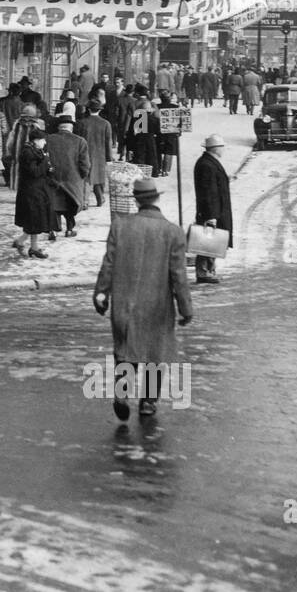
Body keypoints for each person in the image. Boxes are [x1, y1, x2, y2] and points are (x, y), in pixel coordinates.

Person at [93, 177, 193, 420]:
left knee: (126, 350)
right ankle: (148, 402)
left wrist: (101, 293)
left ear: (136, 201)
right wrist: (186, 309)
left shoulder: (120, 226)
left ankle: (122, 392)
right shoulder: (173, 232)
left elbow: (109, 262)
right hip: (157, 305)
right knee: (153, 353)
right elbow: (178, 276)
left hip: (125, 304)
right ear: (157, 198)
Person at [193, 134, 233, 285]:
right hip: (211, 212)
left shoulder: (209, 162)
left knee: (212, 242)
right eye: (223, 147)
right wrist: (211, 215)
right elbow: (208, 192)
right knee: (206, 243)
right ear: (216, 149)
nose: (224, 150)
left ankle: (209, 270)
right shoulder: (207, 165)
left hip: (215, 210)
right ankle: (204, 272)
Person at [45, 115, 91, 237]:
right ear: (71, 127)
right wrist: (83, 175)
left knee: (54, 204)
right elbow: (85, 164)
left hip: (53, 177)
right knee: (70, 204)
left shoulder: (48, 139)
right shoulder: (80, 141)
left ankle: (53, 230)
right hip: (72, 179)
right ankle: (69, 229)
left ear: (59, 127)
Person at [13, 129, 55, 259]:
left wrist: (49, 168)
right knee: (34, 219)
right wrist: (45, 161)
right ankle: (31, 247)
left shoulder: (36, 151)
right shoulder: (28, 153)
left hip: (37, 190)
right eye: (43, 140)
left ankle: (25, 243)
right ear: (36, 141)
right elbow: (35, 172)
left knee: (34, 219)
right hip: (30, 191)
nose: (45, 142)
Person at [79, 100, 114, 205]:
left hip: (85, 153)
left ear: (88, 109)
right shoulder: (106, 124)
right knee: (99, 177)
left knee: (86, 177)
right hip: (100, 155)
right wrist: (109, 158)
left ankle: (85, 201)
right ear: (99, 110)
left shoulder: (82, 123)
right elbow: (108, 142)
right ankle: (100, 199)